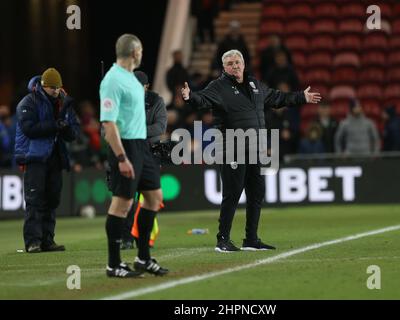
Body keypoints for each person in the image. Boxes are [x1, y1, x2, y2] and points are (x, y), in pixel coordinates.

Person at [181, 49, 321, 252]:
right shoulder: (218, 86)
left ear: (244, 64)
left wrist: (301, 97)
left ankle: (251, 239)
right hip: (231, 146)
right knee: (233, 193)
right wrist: (189, 97)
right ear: (224, 68)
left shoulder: (255, 84)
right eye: (230, 63)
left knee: (256, 193)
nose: (235, 65)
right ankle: (223, 240)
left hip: (255, 147)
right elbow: (201, 100)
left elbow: (276, 97)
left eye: (238, 62)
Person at [100, 34, 168, 278]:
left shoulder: (130, 79)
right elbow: (108, 123)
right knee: (122, 203)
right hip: (125, 147)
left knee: (154, 197)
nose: (141, 54)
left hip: (142, 146)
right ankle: (113, 263)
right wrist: (121, 158)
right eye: (140, 50)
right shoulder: (112, 80)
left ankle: (143, 258)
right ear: (135, 52)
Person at [14, 68, 80, 253]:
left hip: (55, 156)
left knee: (52, 199)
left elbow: (73, 132)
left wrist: (65, 125)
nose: (56, 91)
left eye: (58, 87)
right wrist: (55, 125)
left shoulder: (63, 103)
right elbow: (29, 129)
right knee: (35, 199)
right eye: (53, 87)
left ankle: (47, 240)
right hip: (34, 156)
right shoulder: (28, 102)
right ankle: (33, 241)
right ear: (43, 86)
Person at [121, 70, 167, 250]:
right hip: (128, 154)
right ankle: (126, 238)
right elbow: (108, 127)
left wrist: (135, 130)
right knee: (127, 199)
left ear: (146, 86)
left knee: (149, 198)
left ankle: (143, 236)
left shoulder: (156, 101)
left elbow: (160, 127)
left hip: (150, 153)